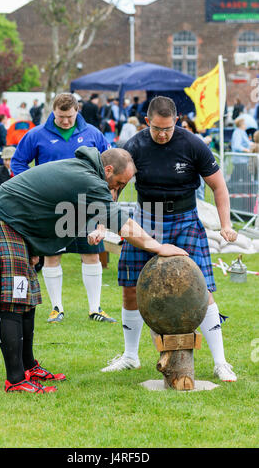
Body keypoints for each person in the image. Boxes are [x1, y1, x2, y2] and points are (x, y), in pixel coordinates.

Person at [0, 146, 187, 394]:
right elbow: (121, 222)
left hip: (15, 224)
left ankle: (28, 367)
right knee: (14, 300)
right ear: (108, 170)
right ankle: (15, 380)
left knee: (27, 299)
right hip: (0, 220)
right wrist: (157, 246)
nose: (119, 190)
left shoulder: (85, 172)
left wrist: (33, 245)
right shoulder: (89, 180)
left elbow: (43, 206)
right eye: (120, 183)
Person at [101, 96, 238, 383]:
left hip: (185, 218)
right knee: (130, 288)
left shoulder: (193, 144)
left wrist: (226, 224)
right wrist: (102, 224)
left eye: (168, 128)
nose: (162, 135)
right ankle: (130, 356)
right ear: (147, 121)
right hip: (145, 218)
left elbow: (218, 185)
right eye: (157, 129)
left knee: (202, 289)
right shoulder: (134, 146)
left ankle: (221, 363)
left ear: (176, 121)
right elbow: (112, 186)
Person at [11, 92, 114, 324]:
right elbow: (18, 162)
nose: (65, 121)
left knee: (91, 253)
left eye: (69, 116)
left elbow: (109, 162)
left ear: (77, 111)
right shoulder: (36, 134)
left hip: (85, 204)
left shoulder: (93, 133)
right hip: (50, 206)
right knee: (51, 255)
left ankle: (95, 308)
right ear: (53, 113)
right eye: (60, 117)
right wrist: (34, 187)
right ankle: (57, 308)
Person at [181, 117, 212, 200]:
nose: (182, 129)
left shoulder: (197, 137)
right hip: (187, 172)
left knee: (199, 195)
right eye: (182, 127)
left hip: (198, 171)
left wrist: (206, 141)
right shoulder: (182, 139)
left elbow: (205, 146)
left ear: (190, 127)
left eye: (185, 127)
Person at [231, 117, 254, 181]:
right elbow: (237, 145)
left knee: (236, 178)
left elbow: (247, 143)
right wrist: (247, 150)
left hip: (242, 160)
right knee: (246, 179)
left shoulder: (242, 132)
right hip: (240, 160)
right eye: (245, 124)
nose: (246, 125)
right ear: (241, 124)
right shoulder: (238, 132)